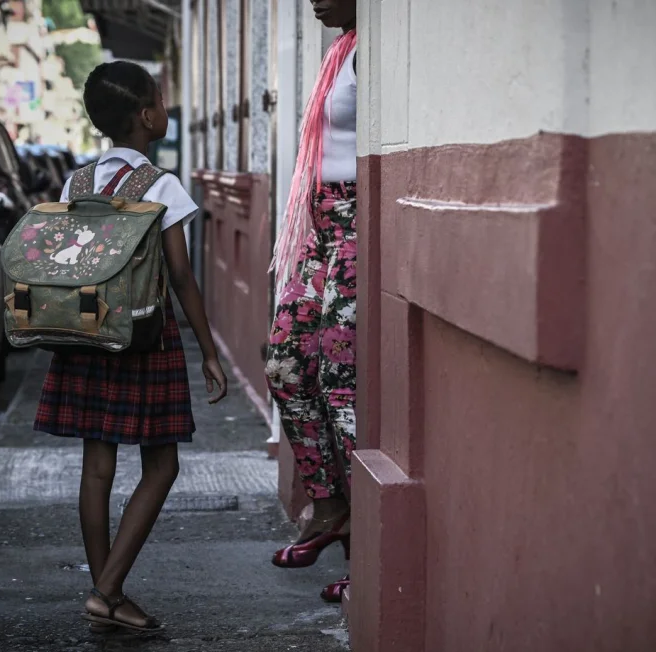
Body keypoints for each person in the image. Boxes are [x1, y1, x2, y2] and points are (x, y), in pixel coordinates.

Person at [33, 61, 229, 633]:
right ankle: (109, 589)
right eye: (161, 99)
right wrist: (209, 351)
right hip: (144, 337)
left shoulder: (76, 183)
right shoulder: (163, 186)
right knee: (162, 464)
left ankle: (108, 594)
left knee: (96, 466)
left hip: (85, 332)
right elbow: (182, 277)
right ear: (147, 116)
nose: (166, 107)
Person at [264, 0, 358, 603]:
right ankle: (329, 506)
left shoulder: (374, 51)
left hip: (357, 223)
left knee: (337, 377)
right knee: (283, 362)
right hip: (320, 226)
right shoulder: (340, 51)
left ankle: (368, 544)